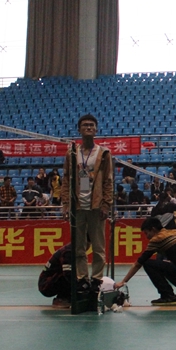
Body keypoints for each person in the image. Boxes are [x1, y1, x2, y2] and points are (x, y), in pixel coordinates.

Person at [61, 114, 114, 291]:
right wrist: (66, 203)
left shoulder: (104, 153)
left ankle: (97, 279)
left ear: (96, 129)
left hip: (96, 205)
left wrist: (106, 204)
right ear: (79, 129)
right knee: (78, 246)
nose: (89, 127)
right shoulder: (71, 153)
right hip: (77, 205)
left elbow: (108, 180)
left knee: (98, 246)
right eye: (85, 125)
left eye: (92, 125)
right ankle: (81, 278)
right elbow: (66, 179)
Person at [115, 217, 176, 305]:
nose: (147, 237)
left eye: (147, 233)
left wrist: (123, 281)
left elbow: (138, 264)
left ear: (153, 229)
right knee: (166, 265)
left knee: (148, 264)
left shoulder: (157, 239)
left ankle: (168, 295)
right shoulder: (173, 232)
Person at [38, 243, 74, 308]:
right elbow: (68, 274)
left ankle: (66, 296)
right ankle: (61, 298)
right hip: (46, 285)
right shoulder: (68, 252)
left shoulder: (75, 250)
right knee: (68, 274)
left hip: (51, 280)